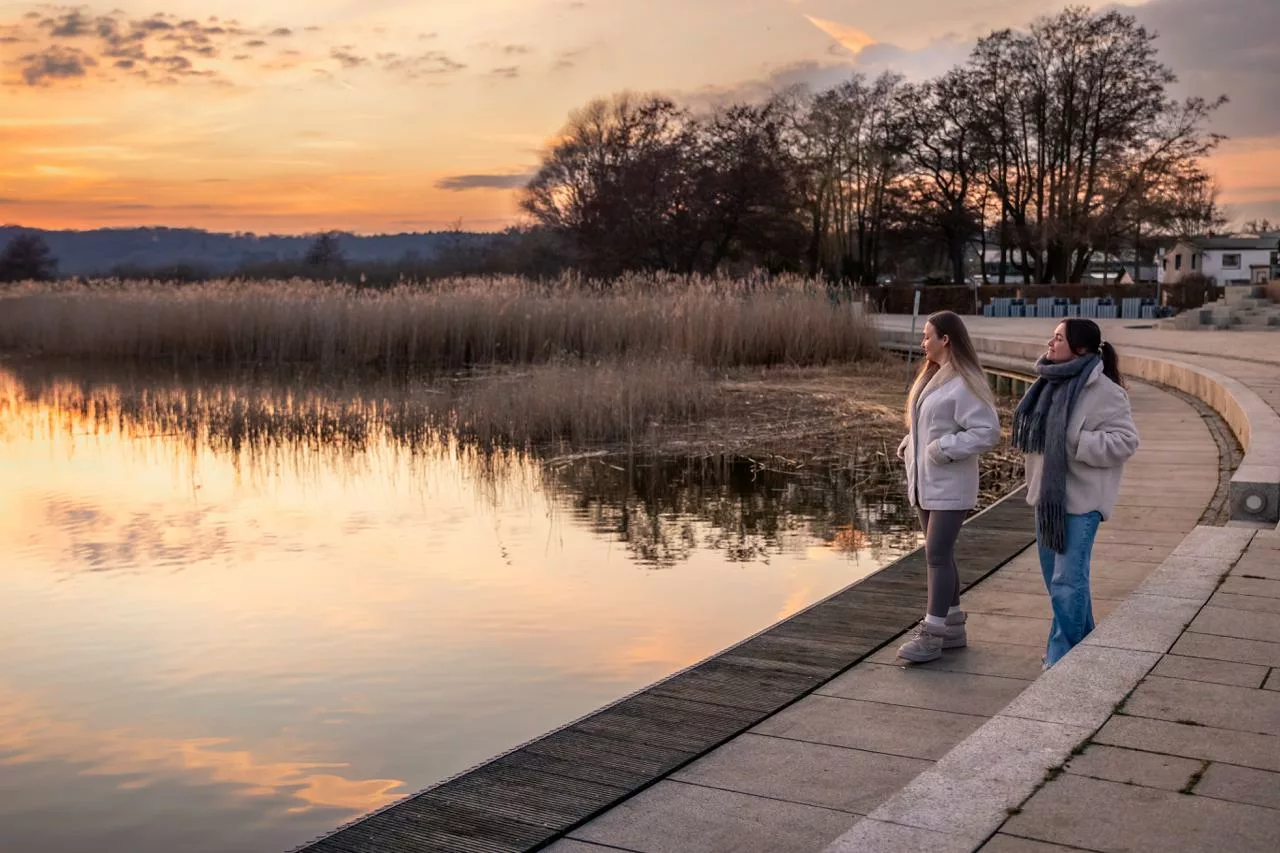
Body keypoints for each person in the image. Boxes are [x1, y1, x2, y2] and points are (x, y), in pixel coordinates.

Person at [1012, 318, 1139, 669]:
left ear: (1080, 349)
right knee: (1059, 584)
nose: (1050, 344)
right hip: (1047, 500)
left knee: (1068, 581)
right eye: (1052, 337)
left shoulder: (1106, 392)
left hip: (1082, 501)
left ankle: (1061, 659)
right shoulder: (1045, 384)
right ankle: (1087, 646)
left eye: (1058, 338)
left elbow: (1127, 441)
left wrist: (1078, 443)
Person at [896, 311, 1001, 662]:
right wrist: (912, 442)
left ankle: (932, 634)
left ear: (946, 340)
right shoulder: (933, 378)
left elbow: (987, 432)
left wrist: (942, 450)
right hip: (926, 482)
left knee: (936, 556)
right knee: (941, 554)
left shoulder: (965, 383)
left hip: (949, 483)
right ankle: (953, 627)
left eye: (928, 336)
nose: (922, 342)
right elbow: (933, 425)